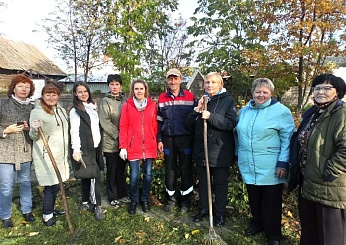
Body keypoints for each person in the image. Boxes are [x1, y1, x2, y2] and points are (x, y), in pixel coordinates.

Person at [235, 78, 295, 245]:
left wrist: (283, 162)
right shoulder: (245, 111)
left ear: (271, 93)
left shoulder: (281, 111)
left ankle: (274, 234)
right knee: (254, 198)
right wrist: (237, 155)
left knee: (271, 201)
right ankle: (257, 223)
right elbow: (237, 134)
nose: (261, 95)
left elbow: (288, 139)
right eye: (258, 91)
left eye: (265, 92)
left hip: (271, 165)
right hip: (249, 162)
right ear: (253, 92)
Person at [288, 74, 346, 245]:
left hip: (328, 186)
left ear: (338, 92)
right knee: (310, 232)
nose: (321, 91)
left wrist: (328, 171)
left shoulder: (341, 114)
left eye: (327, 88)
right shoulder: (313, 113)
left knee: (330, 237)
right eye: (317, 88)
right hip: (307, 183)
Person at [187, 72, 236, 226]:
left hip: (219, 151)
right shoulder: (202, 100)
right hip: (202, 150)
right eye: (207, 82)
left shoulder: (227, 100)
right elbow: (189, 125)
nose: (209, 85)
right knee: (203, 183)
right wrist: (197, 109)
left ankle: (220, 214)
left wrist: (211, 117)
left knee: (220, 185)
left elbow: (230, 124)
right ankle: (204, 209)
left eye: (213, 82)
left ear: (220, 84)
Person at [29, 84, 69, 226]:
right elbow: (33, 136)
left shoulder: (62, 110)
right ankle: (47, 215)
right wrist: (34, 128)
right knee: (50, 186)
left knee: (57, 184)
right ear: (43, 96)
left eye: (54, 94)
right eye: (48, 94)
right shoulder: (37, 112)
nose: (51, 97)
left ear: (58, 96)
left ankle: (51, 208)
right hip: (47, 154)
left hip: (60, 154)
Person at [157, 68, 195, 213]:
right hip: (168, 140)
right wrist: (159, 139)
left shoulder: (190, 97)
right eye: (170, 79)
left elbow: (195, 119)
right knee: (170, 170)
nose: (172, 81)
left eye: (175, 78)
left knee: (186, 169)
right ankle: (171, 199)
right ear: (167, 80)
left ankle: (185, 201)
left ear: (180, 79)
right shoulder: (162, 98)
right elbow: (159, 121)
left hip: (186, 140)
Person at [0, 74, 35, 228]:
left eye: (27, 86)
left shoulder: (32, 107)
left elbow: (36, 129)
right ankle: (5, 215)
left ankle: (27, 209)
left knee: (25, 181)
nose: (24, 89)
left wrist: (29, 129)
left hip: (25, 148)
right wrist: (5, 130)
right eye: (20, 86)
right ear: (13, 88)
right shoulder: (2, 103)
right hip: (5, 150)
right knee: (7, 185)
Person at [119, 79, 158, 214]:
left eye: (141, 88)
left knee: (148, 175)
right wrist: (123, 146)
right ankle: (134, 200)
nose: (139, 91)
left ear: (145, 90)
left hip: (149, 146)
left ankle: (145, 200)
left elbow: (154, 126)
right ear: (133, 91)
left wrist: (154, 139)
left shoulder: (152, 105)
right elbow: (123, 127)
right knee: (134, 176)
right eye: (136, 89)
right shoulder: (127, 106)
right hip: (133, 146)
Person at [70, 81, 105, 221]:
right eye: (80, 92)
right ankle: (97, 205)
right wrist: (76, 149)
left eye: (85, 91)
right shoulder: (75, 110)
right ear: (75, 94)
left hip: (95, 147)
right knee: (94, 176)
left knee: (86, 175)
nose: (83, 94)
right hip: (84, 147)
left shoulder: (92, 106)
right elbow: (74, 131)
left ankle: (85, 202)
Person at [98, 74, 128, 208]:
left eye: (117, 84)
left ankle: (122, 194)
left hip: (124, 143)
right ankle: (112, 196)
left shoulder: (125, 100)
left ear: (121, 86)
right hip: (111, 142)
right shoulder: (105, 101)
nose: (115, 87)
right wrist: (119, 135)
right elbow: (105, 122)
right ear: (108, 86)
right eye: (112, 84)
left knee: (122, 169)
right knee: (112, 170)